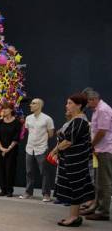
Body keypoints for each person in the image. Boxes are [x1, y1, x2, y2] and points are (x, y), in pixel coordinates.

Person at [55, 93, 95, 227]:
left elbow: (68, 141)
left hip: (76, 160)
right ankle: (74, 216)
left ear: (79, 105)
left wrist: (54, 151)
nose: (67, 105)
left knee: (75, 187)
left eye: (70, 103)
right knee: (74, 188)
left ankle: (73, 217)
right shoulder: (75, 120)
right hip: (72, 160)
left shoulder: (80, 121)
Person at [82, 90, 112, 221]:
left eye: (86, 101)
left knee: (104, 182)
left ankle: (103, 212)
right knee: (99, 182)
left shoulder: (103, 110)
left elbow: (102, 131)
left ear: (93, 99)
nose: (86, 104)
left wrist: (91, 145)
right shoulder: (97, 110)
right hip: (100, 150)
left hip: (105, 150)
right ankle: (97, 206)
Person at [20, 98, 55, 202]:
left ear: (39, 105)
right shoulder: (28, 118)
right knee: (29, 172)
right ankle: (28, 192)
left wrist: (41, 141)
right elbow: (27, 130)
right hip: (29, 148)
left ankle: (46, 194)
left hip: (41, 148)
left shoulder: (47, 119)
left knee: (44, 172)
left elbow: (51, 134)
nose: (30, 105)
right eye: (31, 103)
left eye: (33, 103)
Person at [0, 102, 21, 197]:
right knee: (1, 170)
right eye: (2, 109)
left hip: (11, 150)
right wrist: (1, 148)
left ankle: (10, 190)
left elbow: (16, 138)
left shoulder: (17, 122)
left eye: (5, 109)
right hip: (0, 149)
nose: (3, 110)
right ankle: (3, 189)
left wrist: (8, 149)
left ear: (11, 110)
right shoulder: (0, 122)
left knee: (10, 170)